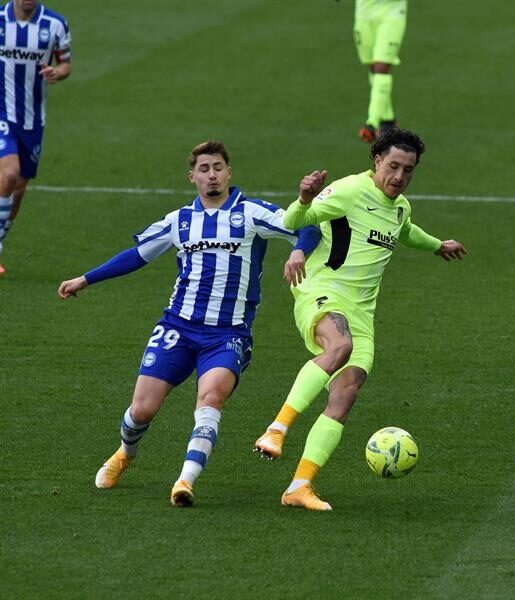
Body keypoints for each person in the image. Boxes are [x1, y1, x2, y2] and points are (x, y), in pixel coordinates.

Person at [57, 140, 321, 507]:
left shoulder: (252, 213)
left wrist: (298, 250)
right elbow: (136, 255)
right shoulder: (179, 221)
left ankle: (185, 481)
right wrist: (86, 279)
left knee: (210, 399)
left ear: (229, 172)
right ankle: (125, 454)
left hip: (227, 334)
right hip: (177, 328)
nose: (212, 175)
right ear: (192, 177)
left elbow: (308, 226)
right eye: (204, 169)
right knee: (142, 410)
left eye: (218, 168)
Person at [252, 128, 466, 510]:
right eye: (393, 166)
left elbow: (405, 231)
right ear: (377, 160)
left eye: (408, 170)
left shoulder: (400, 207)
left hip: (362, 313)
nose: (399, 176)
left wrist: (438, 245)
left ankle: (299, 487)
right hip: (322, 292)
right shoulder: (349, 190)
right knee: (340, 345)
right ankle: (276, 429)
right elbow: (296, 219)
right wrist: (304, 198)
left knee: (345, 393)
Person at [0, 0, 71, 277]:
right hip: (2, 113)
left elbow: (65, 64)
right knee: (8, 175)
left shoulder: (55, 24)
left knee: (18, 187)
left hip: (32, 120)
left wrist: (57, 72)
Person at [352, 0, 408, 143]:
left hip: (392, 13)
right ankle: (388, 122)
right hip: (364, 14)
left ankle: (372, 123)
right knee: (372, 67)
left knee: (381, 67)